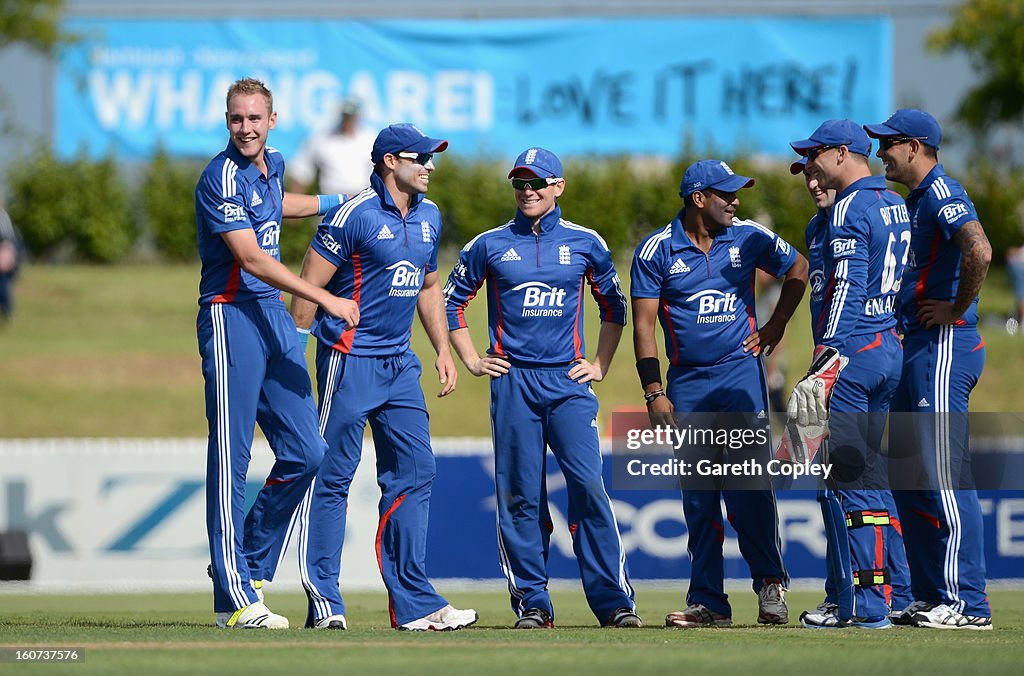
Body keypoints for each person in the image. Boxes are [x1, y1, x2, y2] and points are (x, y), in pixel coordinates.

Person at [289, 123, 477, 632]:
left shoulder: (431, 216)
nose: (430, 167)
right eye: (421, 158)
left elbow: (428, 284)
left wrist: (441, 347)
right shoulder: (352, 215)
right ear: (390, 161)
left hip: (400, 368)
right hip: (347, 363)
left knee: (417, 472)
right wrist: (293, 359)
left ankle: (415, 605)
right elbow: (307, 286)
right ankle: (325, 602)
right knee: (331, 479)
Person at [444, 147, 640, 629]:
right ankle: (532, 602)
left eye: (537, 183)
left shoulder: (585, 242)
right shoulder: (489, 244)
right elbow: (452, 302)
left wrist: (600, 364)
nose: (527, 191)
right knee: (519, 495)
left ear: (559, 187)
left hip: (568, 383)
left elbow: (615, 306)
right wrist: (471, 359)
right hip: (513, 383)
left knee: (589, 487)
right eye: (520, 183)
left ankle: (615, 604)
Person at [195, 77, 357, 630]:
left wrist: (341, 200)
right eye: (236, 119)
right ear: (227, 121)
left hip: (271, 318)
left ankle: (253, 568)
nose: (245, 128)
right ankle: (234, 598)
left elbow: (276, 205)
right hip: (230, 313)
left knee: (308, 451)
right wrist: (323, 297)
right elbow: (254, 259)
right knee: (231, 457)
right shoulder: (217, 176)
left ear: (272, 119)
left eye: (254, 119)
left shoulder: (274, 164)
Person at [631, 159, 808, 627]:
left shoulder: (747, 235)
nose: (735, 201)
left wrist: (777, 323)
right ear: (697, 199)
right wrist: (654, 391)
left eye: (736, 193)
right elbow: (644, 326)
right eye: (726, 194)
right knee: (699, 498)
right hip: (687, 383)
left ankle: (771, 584)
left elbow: (798, 268)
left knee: (750, 487)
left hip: (739, 376)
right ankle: (709, 601)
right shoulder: (655, 251)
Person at [865, 109, 994, 630]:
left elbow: (979, 250)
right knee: (910, 476)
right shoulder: (917, 200)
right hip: (918, 345)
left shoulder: (941, 191)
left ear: (916, 146)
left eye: (889, 144)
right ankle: (931, 594)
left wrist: (957, 308)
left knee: (943, 473)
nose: (881, 153)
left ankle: (969, 604)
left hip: (945, 342)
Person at [785, 147, 912, 629]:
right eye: (806, 176)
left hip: (850, 355)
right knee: (858, 482)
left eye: (816, 169)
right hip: (880, 348)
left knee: (847, 485)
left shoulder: (850, 211)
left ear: (840, 158)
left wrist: (828, 356)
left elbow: (848, 289)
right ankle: (887, 594)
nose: (812, 181)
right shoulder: (881, 205)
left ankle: (865, 603)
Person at [289, 97, 375, 196]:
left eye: (351, 117)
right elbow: (301, 171)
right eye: (346, 116)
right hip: (330, 198)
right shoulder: (322, 138)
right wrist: (297, 203)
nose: (348, 121)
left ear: (358, 117)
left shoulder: (369, 139)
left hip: (361, 198)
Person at [0, 204, 23, 322]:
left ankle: (8, 314)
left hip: (7, 254)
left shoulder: (1, 217)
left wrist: (6, 258)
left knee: (2, 287)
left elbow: (7, 243)